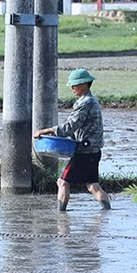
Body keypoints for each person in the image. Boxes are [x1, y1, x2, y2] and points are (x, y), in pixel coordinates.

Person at [34, 68, 111, 212]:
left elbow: (70, 127)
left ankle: (60, 218)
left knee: (62, 182)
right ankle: (107, 213)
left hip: (84, 151)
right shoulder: (91, 101)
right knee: (93, 185)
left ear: (83, 85)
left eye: (74, 85)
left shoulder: (85, 103)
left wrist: (46, 131)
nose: (72, 88)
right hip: (93, 150)